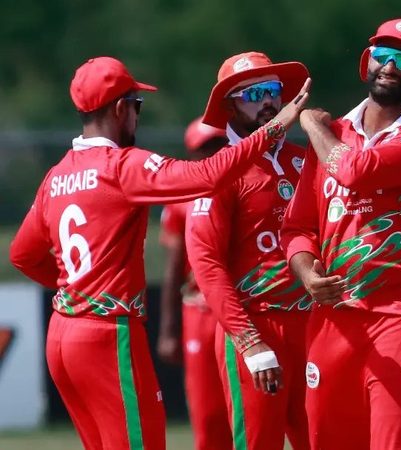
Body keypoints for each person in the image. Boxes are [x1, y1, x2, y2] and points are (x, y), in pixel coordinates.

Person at [8, 56, 310, 450]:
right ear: (122, 109)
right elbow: (206, 175)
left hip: (63, 332)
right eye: (137, 105)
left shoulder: (56, 175)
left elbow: (23, 255)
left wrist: (77, 291)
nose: (138, 116)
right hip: (108, 330)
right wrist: (275, 127)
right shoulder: (122, 165)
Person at [281, 18, 401, 450]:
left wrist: (310, 124)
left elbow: (358, 171)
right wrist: (307, 273)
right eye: (383, 55)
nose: (390, 67)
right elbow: (298, 227)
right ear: (366, 62)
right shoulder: (334, 133)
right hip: (333, 318)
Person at [184, 51, 312, 450]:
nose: (268, 101)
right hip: (258, 324)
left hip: (314, 324)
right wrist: (250, 341)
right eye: (253, 94)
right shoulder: (219, 170)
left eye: (272, 90)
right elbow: (206, 262)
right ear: (229, 107)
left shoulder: (306, 160)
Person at [157, 117, 230, 450]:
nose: (214, 153)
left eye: (219, 144)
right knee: (209, 414)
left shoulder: (249, 183)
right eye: (206, 148)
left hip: (243, 306)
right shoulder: (181, 195)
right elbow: (173, 267)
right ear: (193, 153)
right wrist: (168, 329)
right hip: (200, 312)